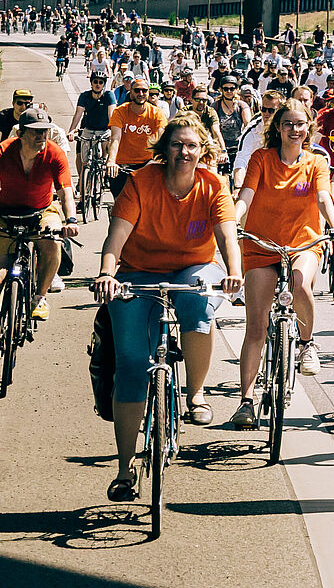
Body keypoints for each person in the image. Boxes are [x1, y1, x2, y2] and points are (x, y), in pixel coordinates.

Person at [92, 113, 243, 500]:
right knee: (129, 364)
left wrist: (235, 271)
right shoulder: (141, 182)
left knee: (198, 305)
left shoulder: (213, 185)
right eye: (176, 145)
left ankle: (195, 394)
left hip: (194, 266)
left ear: (203, 151)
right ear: (164, 149)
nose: (184, 152)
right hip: (138, 271)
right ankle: (125, 470)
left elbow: (228, 236)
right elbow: (116, 237)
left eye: (192, 145)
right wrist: (108, 272)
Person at [229, 100, 334, 429]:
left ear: (309, 128)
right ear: (277, 128)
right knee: (256, 327)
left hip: (302, 244)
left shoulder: (315, 163)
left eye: (300, 124)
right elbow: (246, 195)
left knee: (299, 283)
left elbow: (323, 198)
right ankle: (246, 401)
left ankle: (307, 343)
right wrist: (233, 222)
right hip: (260, 244)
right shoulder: (261, 159)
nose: (294, 130)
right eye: (288, 124)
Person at [0, 109, 79, 369]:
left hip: (42, 211)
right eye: (36, 132)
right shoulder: (3, 151)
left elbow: (65, 191)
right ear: (20, 134)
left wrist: (71, 220)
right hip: (6, 215)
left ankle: (39, 297)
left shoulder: (54, 153)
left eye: (45, 131)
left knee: (53, 241)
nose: (42, 136)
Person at [106, 76, 168, 199]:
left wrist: (164, 161)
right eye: (137, 90)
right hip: (122, 164)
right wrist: (111, 161)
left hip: (146, 164)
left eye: (144, 91)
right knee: (120, 203)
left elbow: (162, 139)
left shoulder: (156, 113)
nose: (141, 94)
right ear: (131, 93)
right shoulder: (120, 112)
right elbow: (115, 138)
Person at [66, 71, 117, 182]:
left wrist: (113, 133)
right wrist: (71, 131)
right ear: (91, 83)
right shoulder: (85, 96)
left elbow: (112, 115)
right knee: (83, 157)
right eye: (95, 82)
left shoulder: (109, 96)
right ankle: (82, 180)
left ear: (104, 84)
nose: (98, 84)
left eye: (101, 82)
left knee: (106, 149)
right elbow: (78, 114)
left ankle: (104, 171)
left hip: (104, 129)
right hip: (87, 128)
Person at [0, 88, 36, 154]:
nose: (23, 107)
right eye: (19, 103)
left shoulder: (34, 118)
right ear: (13, 104)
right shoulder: (3, 118)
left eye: (27, 104)